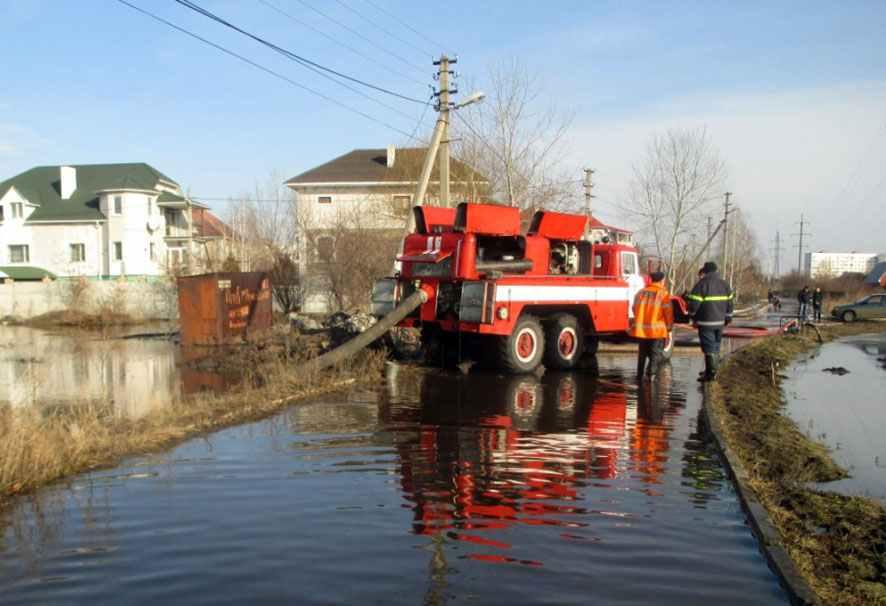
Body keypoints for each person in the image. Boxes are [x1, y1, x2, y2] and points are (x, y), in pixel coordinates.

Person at [687, 261, 734, 382]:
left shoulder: (701, 284)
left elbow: (693, 305)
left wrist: (692, 317)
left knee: (708, 348)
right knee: (716, 346)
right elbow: (730, 304)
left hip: (705, 322)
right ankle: (712, 369)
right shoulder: (725, 284)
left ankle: (710, 374)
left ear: (706, 271)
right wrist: (728, 318)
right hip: (720, 322)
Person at [628, 271, 674, 379]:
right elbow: (668, 312)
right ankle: (651, 376)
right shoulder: (663, 293)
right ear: (662, 280)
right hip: (656, 331)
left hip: (641, 331)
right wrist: (669, 328)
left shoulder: (640, 292)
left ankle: (639, 375)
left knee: (642, 354)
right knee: (655, 354)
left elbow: (634, 309)